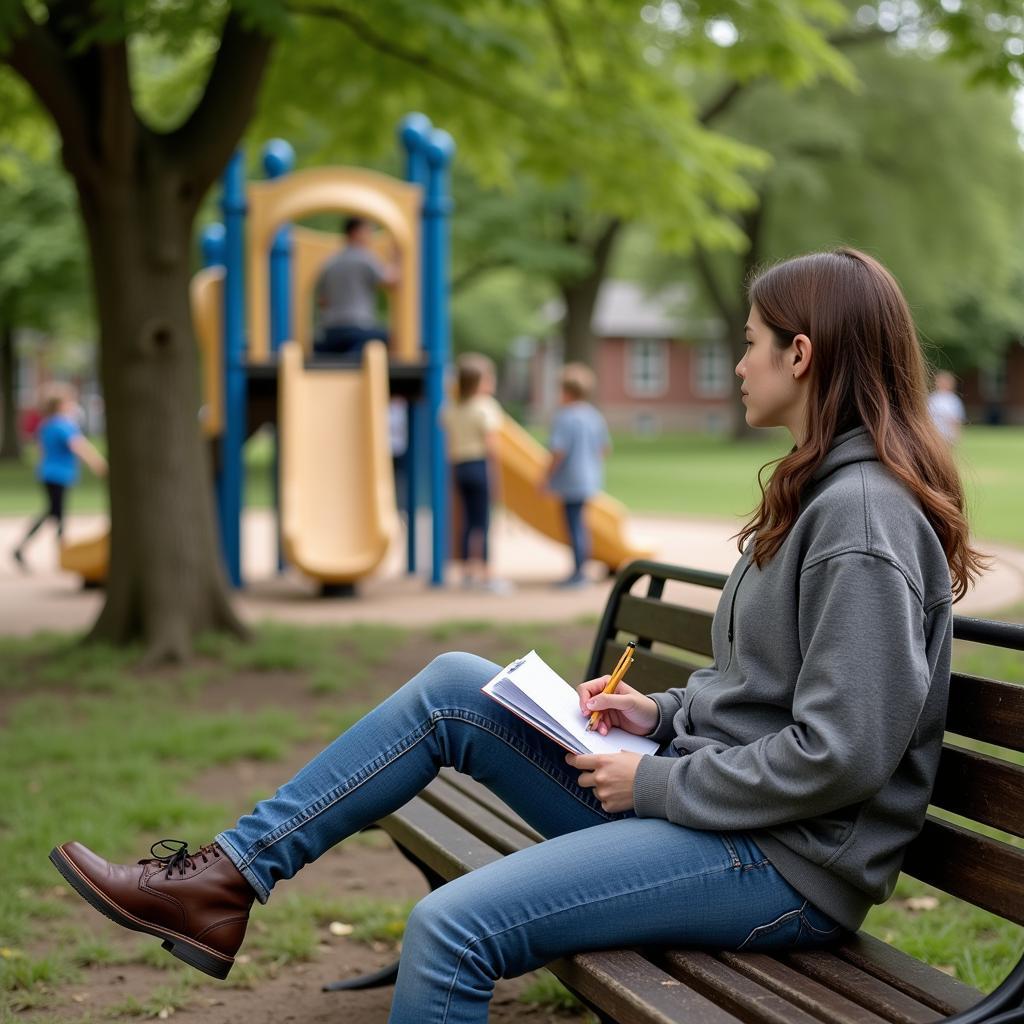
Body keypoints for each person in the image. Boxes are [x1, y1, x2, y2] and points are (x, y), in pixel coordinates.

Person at [50, 248, 984, 1024]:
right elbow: (761, 685)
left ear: (803, 354)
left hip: (782, 866)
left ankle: (218, 888)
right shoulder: (818, 487)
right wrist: (654, 712)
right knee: (460, 684)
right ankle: (223, 881)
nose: (738, 363)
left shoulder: (862, 518)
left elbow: (845, 753)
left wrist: (658, 777)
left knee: (451, 929)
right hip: (724, 817)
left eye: (747, 345)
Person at [12, 384, 107, 571]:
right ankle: (50, 552)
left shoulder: (46, 425)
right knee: (57, 513)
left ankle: (39, 550)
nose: (72, 405)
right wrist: (98, 464)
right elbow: (79, 446)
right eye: (69, 402)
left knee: (55, 512)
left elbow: (41, 449)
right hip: (59, 474)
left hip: (47, 472)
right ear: (61, 405)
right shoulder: (64, 425)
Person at [440, 353, 511, 593]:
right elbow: (491, 446)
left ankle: (467, 572)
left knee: (467, 522)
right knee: (484, 522)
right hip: (479, 465)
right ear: (479, 382)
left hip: (459, 467)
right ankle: (488, 574)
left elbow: (449, 443)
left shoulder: (452, 408)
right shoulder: (485, 407)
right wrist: (496, 478)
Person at [543, 363, 610, 587]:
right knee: (580, 525)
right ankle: (581, 570)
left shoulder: (565, 417)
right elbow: (604, 449)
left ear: (567, 392)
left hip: (570, 481)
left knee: (573, 527)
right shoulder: (594, 416)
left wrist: (545, 476)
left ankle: (578, 573)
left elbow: (558, 451)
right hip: (589, 479)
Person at [314, 216, 399, 357]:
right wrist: (397, 258)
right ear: (355, 233)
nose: (370, 236)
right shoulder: (364, 258)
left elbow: (322, 301)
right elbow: (392, 281)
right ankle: (354, 356)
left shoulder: (330, 262)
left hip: (330, 331)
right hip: (358, 329)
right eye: (368, 231)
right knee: (392, 338)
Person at [927, 370, 966, 445]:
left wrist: (956, 434)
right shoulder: (933, 398)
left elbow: (956, 419)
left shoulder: (953, 400)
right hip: (935, 433)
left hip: (948, 434)